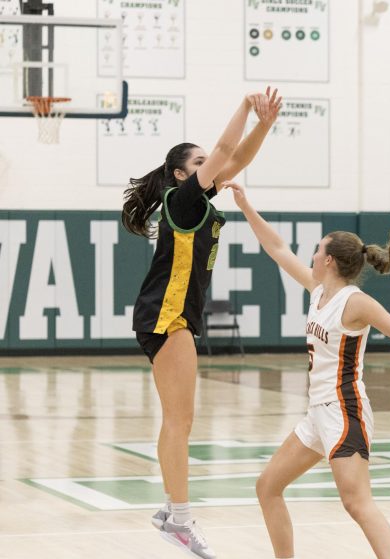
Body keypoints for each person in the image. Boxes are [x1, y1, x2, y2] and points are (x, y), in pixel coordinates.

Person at [224, 181, 390, 559]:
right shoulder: (318, 290)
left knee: (357, 503)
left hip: (344, 411)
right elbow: (277, 248)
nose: (313, 255)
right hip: (316, 414)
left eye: (318, 250)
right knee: (267, 486)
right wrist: (245, 205)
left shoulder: (355, 303)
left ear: (330, 260)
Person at [121, 87, 282, 559]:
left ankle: (174, 514)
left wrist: (265, 125)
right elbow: (227, 152)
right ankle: (181, 520)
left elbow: (236, 159)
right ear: (179, 174)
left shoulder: (196, 200)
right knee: (180, 420)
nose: (210, 166)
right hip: (166, 315)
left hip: (171, 316)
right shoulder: (181, 200)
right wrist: (246, 107)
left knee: (180, 419)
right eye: (199, 163)